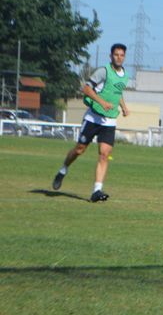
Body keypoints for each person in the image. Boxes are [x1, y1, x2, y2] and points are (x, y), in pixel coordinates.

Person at [51, 43, 130, 202]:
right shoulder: (103, 71)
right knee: (79, 150)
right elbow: (86, 89)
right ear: (111, 56)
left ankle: (96, 191)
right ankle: (63, 169)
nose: (119, 57)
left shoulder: (125, 75)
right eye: (116, 55)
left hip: (109, 121)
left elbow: (117, 91)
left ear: (124, 57)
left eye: (121, 55)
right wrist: (101, 102)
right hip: (93, 118)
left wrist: (124, 107)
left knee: (104, 154)